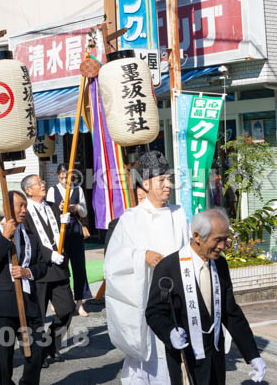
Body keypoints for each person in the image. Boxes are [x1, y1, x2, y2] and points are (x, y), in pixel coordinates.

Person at [145, 208, 266, 385]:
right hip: (185, 359)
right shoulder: (169, 267)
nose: (222, 246)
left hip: (215, 359)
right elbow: (154, 312)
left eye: (225, 239)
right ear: (197, 236)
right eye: (217, 240)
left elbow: (231, 313)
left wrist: (252, 355)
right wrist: (169, 332)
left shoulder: (220, 264)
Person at [104, 150, 190, 385]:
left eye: (169, 179)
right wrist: (142, 256)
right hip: (145, 299)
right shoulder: (131, 218)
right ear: (146, 184)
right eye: (162, 180)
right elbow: (113, 262)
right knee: (150, 357)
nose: (168, 185)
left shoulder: (178, 214)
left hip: (176, 298)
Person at [0, 190, 48, 385]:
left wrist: (28, 272)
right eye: (20, 205)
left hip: (28, 301)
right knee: (4, 357)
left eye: (25, 206)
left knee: (37, 350)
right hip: (3, 304)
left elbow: (42, 265)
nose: (24, 210)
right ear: (8, 208)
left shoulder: (30, 235)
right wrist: (5, 237)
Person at [22, 174, 75, 365]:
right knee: (37, 317)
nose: (43, 185)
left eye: (42, 182)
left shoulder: (52, 207)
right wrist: (48, 254)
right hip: (39, 269)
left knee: (67, 309)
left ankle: (51, 344)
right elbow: (29, 239)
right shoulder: (25, 212)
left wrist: (65, 224)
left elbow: (60, 236)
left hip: (59, 268)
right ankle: (38, 354)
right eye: (38, 183)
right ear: (29, 190)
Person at [47, 165, 90, 317]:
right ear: (57, 176)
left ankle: (80, 303)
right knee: (60, 266)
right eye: (62, 177)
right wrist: (59, 208)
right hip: (59, 231)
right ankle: (57, 300)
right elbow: (49, 213)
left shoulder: (78, 189)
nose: (65, 180)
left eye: (68, 178)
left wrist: (76, 207)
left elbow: (84, 212)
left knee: (79, 266)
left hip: (75, 230)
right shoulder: (53, 190)